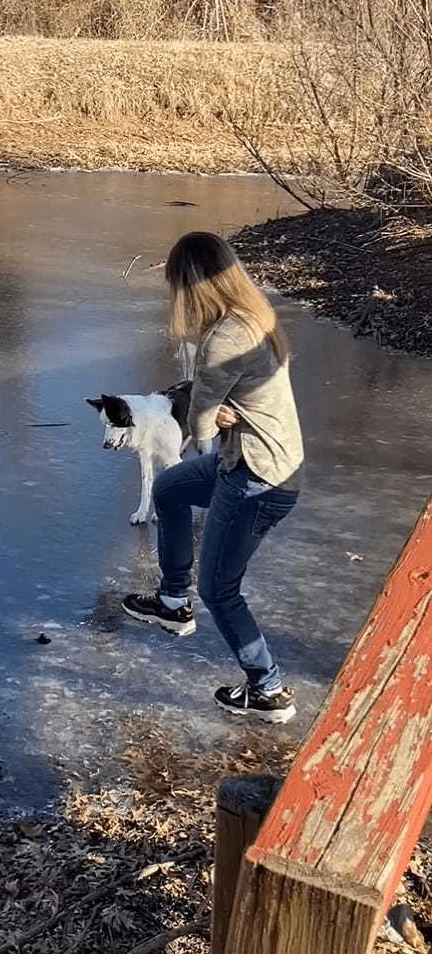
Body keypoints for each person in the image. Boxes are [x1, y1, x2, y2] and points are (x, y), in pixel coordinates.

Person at [122, 232, 304, 724]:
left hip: (256, 478)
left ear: (191, 284)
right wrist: (223, 410)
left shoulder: (224, 338)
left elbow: (197, 424)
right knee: (170, 488)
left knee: (221, 590)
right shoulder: (254, 316)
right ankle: (172, 600)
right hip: (262, 463)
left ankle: (268, 691)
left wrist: (216, 413)